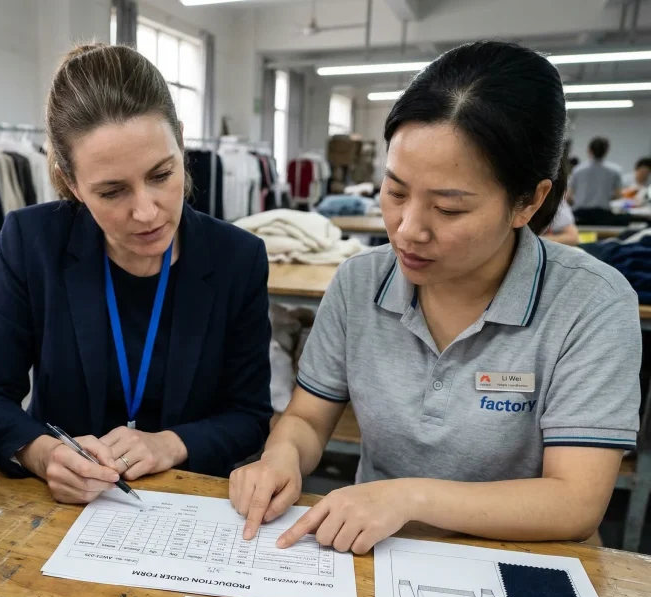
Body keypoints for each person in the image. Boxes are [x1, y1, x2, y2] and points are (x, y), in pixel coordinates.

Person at [230, 41, 641, 554]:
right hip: (373, 555)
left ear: (528, 201)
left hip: (521, 565)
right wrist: (281, 457)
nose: (407, 230)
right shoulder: (360, 282)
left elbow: (576, 502)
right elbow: (308, 419)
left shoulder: (591, 305)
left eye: (448, 209)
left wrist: (411, 499)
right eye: (396, 191)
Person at [0, 43, 272, 505]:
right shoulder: (31, 243)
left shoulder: (238, 258)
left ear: (181, 143)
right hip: (63, 509)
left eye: (161, 175)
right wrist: (43, 453)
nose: (147, 212)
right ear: (71, 183)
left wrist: (169, 444)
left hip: (191, 503)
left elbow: (249, 414)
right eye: (112, 191)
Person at [567, 137, 623, 223]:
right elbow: (618, 195)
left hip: (580, 215)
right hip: (603, 216)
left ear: (589, 150)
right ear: (606, 151)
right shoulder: (615, 170)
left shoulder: (578, 170)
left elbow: (569, 197)